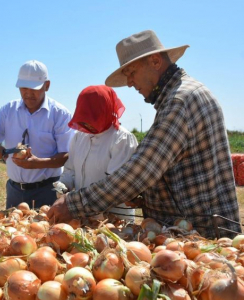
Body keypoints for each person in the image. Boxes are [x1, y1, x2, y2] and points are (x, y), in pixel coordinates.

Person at [48, 30, 241, 239]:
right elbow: (176, 171)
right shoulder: (182, 95)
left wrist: (74, 203)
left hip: (202, 236)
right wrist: (146, 198)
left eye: (131, 73)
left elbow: (139, 172)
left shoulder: (180, 101)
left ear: (156, 61)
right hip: (198, 228)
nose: (130, 83)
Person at [0, 60, 74, 209]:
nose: (28, 94)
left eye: (34, 89)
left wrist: (38, 163)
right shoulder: (9, 110)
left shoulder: (60, 114)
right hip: (15, 191)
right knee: (13, 230)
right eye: (23, 88)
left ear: (47, 86)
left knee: (48, 231)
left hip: (48, 190)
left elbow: (67, 155)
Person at [55, 85, 138, 222]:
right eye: (84, 118)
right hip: (84, 216)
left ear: (105, 111)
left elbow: (115, 187)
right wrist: (63, 186)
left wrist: (76, 202)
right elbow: (70, 170)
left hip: (115, 221)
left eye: (92, 118)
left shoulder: (121, 139)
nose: (87, 124)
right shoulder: (79, 137)